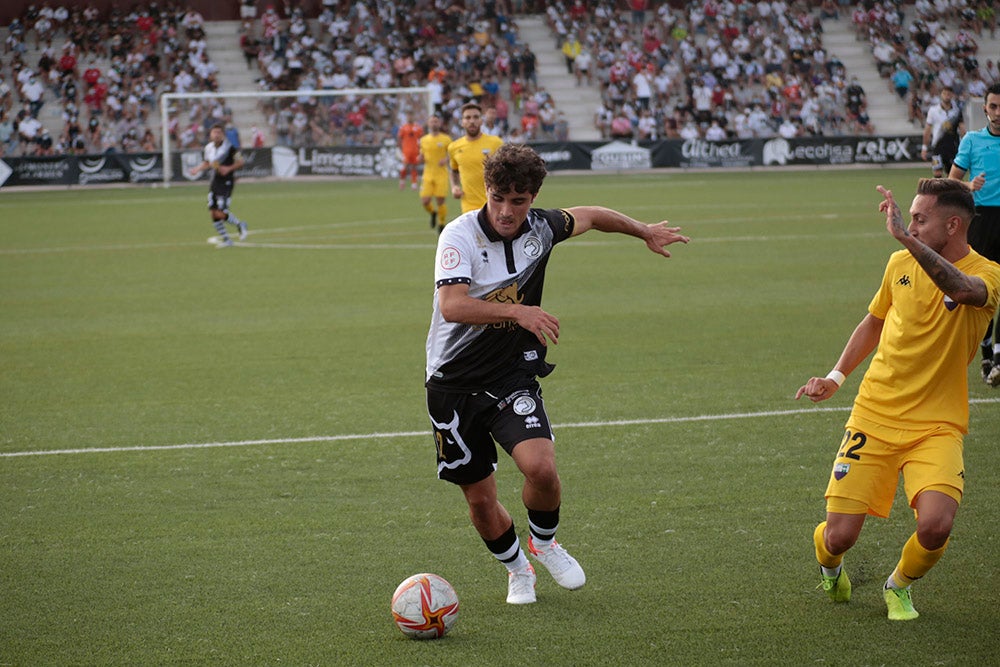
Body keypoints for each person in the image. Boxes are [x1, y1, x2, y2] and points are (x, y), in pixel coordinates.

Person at [425, 143, 691, 605]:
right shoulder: (459, 235)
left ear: (532, 198)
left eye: (519, 201)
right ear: (486, 191)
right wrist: (521, 313)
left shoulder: (542, 228)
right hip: (452, 383)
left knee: (542, 469)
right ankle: (517, 570)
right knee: (480, 502)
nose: (506, 211)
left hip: (510, 377)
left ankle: (544, 544)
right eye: (498, 198)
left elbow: (590, 215)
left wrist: (642, 230)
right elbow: (452, 306)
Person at [796, 178, 1000, 621]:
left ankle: (898, 586)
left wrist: (906, 239)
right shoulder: (897, 264)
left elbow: (963, 291)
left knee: (936, 524)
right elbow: (874, 320)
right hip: (875, 413)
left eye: (920, 219)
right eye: (909, 217)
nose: (909, 225)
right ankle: (830, 566)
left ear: (952, 225)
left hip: (937, 424)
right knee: (839, 538)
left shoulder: (988, 274)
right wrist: (836, 376)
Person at [948, 81, 1000, 386]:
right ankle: (985, 353)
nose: (998, 113)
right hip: (980, 222)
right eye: (993, 107)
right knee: (982, 294)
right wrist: (968, 186)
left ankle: (997, 358)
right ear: (985, 109)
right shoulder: (971, 141)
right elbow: (952, 181)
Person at [189, 123, 248, 248]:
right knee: (213, 213)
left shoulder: (230, 148)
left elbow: (241, 161)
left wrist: (229, 168)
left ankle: (240, 224)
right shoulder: (208, 148)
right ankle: (227, 240)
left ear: (223, 135)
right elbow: (207, 163)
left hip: (227, 182)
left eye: (219, 133)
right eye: (214, 132)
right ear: (210, 135)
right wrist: (197, 169)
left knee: (221, 212)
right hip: (215, 181)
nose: (216, 135)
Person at [447, 102, 503, 213]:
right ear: (462, 122)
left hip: (494, 205)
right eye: (467, 118)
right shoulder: (454, 147)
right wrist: (454, 187)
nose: (472, 121)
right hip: (468, 208)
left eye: (476, 117)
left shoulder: (496, 143)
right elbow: (454, 171)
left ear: (481, 120)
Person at [418, 112, 452, 232]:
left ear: (440, 123)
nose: (434, 123)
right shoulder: (423, 140)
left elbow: (452, 154)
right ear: (428, 123)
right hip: (428, 174)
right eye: (432, 121)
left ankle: (441, 224)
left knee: (440, 200)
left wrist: (446, 159)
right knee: (425, 201)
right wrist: (420, 158)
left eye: (436, 121)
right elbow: (422, 155)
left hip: (441, 174)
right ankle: (433, 212)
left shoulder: (446, 139)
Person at [921, 86, 965, 178]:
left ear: (952, 95)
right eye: (944, 93)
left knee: (952, 176)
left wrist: (964, 146)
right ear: (941, 94)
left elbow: (962, 129)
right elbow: (927, 129)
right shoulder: (933, 110)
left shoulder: (957, 111)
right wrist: (924, 147)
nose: (946, 96)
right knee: (937, 174)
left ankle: (949, 192)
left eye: (949, 94)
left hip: (952, 146)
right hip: (937, 146)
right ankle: (938, 192)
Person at [397, 113, 423, 190]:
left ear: (413, 117)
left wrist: (420, 148)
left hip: (415, 150)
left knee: (414, 167)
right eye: (408, 115)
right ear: (407, 117)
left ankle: (414, 184)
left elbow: (422, 138)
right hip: (406, 150)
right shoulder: (403, 127)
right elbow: (399, 138)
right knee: (404, 166)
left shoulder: (418, 127)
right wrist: (400, 149)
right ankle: (402, 182)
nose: (410, 117)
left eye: (411, 115)